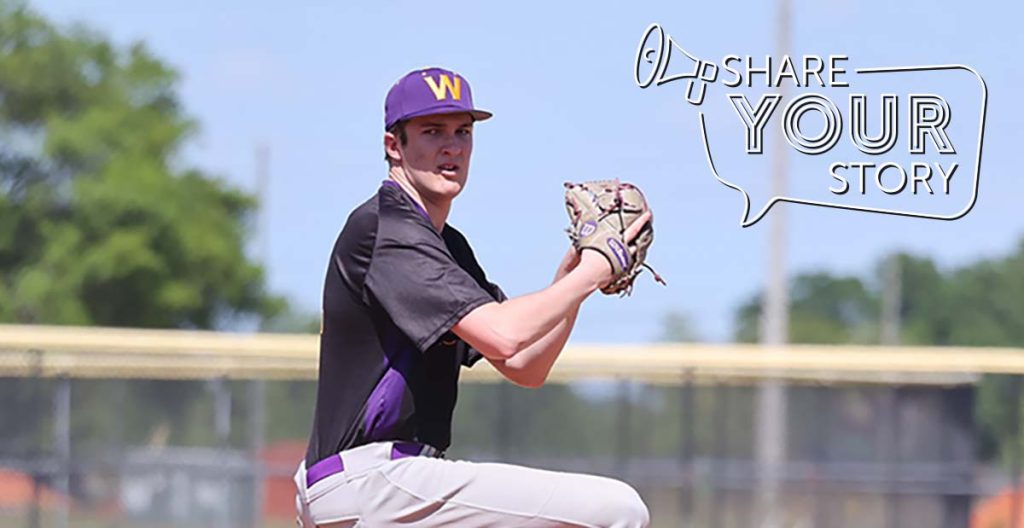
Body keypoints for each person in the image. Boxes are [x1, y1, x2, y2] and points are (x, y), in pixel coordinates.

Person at [294, 66, 652, 527]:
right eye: (432, 131)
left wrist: (574, 281)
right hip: (372, 479)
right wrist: (599, 267)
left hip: (392, 484)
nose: (452, 146)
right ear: (393, 146)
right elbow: (504, 335)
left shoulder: (447, 245)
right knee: (617, 511)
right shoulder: (387, 227)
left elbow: (525, 365)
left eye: (463, 131)